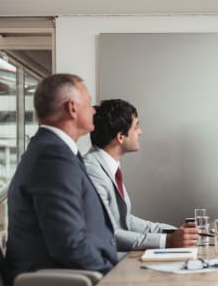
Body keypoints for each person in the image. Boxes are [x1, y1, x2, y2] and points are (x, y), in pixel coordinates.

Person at [5, 74, 118, 283]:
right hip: (65, 278)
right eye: (89, 102)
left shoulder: (51, 150)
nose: (94, 110)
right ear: (72, 108)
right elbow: (69, 243)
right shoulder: (53, 157)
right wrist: (112, 276)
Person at [83, 99, 199, 250]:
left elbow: (125, 221)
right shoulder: (92, 171)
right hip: (108, 265)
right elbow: (105, 234)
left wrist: (174, 232)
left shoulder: (108, 165)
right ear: (120, 137)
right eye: (136, 126)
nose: (140, 131)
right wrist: (167, 241)